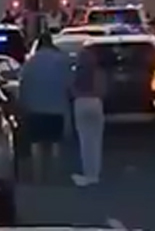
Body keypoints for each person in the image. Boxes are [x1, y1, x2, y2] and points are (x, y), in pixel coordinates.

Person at [17, 31, 73, 184]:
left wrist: (23, 107)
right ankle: (54, 175)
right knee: (54, 145)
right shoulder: (61, 60)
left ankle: (39, 176)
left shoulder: (30, 63)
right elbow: (69, 85)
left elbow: (23, 85)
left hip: (35, 109)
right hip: (57, 109)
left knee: (37, 145)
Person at [70, 44, 109, 186]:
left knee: (85, 141)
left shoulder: (77, 73)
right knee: (96, 140)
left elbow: (71, 89)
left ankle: (87, 173)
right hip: (95, 103)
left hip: (80, 103)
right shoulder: (99, 72)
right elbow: (103, 91)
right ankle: (95, 173)